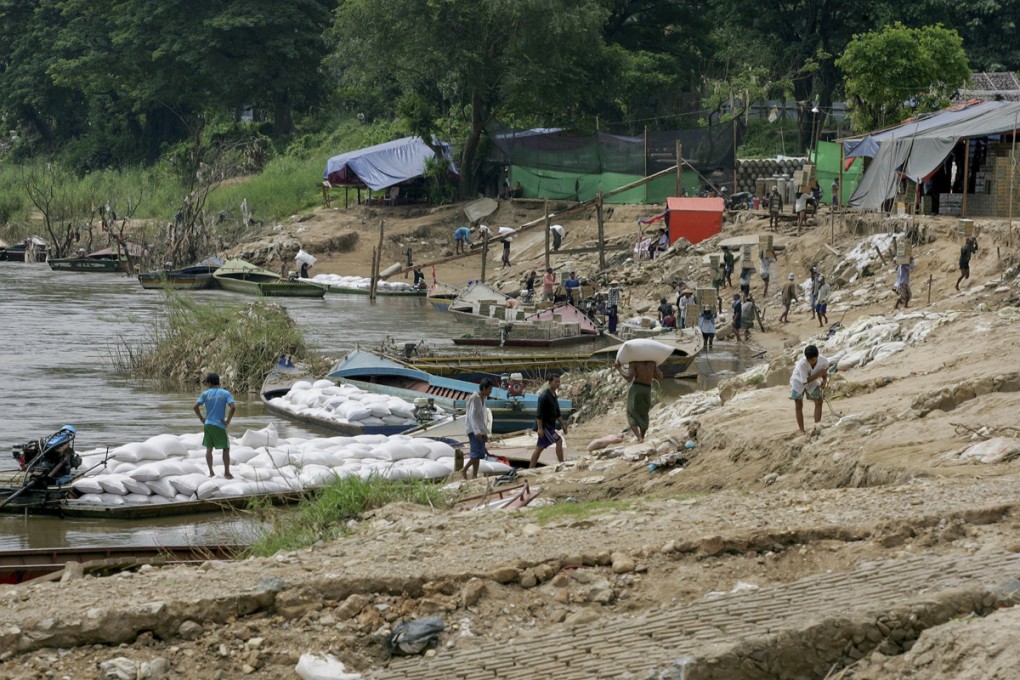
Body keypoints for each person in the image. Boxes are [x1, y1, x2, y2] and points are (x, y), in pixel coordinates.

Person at [193, 373, 235, 479]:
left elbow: (195, 407)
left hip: (208, 424)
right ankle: (227, 472)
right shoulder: (225, 393)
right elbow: (233, 407)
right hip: (219, 425)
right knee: (226, 448)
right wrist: (228, 421)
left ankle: (211, 472)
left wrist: (202, 419)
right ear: (218, 382)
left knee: (209, 449)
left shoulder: (205, 394)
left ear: (209, 383)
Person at [614, 359, 662, 443]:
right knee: (644, 413)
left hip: (637, 389)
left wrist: (618, 368)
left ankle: (639, 437)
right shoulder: (652, 363)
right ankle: (642, 437)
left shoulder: (634, 362)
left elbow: (629, 378)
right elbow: (660, 376)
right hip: (647, 389)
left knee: (631, 412)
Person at [529, 375, 567, 468]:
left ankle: (531, 468)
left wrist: (563, 425)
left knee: (539, 448)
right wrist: (540, 429)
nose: (558, 384)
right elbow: (539, 414)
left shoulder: (554, 395)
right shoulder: (544, 396)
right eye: (556, 382)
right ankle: (561, 463)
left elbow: (557, 412)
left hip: (549, 425)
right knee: (558, 440)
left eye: (559, 382)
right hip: (545, 426)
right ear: (550, 382)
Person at [790, 344, 830, 434]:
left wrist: (824, 380)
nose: (811, 362)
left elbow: (825, 371)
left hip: (812, 381)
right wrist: (819, 373)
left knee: (819, 401)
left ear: (817, 356)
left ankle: (817, 426)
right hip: (798, 382)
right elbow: (804, 381)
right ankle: (802, 430)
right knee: (798, 404)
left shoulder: (823, 361)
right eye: (809, 360)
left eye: (813, 360)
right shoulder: (802, 364)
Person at [462, 378, 494, 480]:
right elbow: (472, 416)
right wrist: (477, 431)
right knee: (475, 454)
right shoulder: (475, 398)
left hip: (479, 429)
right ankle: (464, 470)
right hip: (473, 430)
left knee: (479, 454)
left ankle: (474, 475)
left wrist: (484, 432)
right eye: (489, 389)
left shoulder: (481, 399)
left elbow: (481, 417)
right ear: (484, 388)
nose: (490, 392)